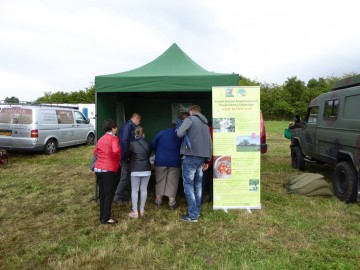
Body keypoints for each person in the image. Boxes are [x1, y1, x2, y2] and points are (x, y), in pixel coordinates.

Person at [176, 105, 211, 222]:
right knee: (197, 185)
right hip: (202, 158)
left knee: (188, 185)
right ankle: (197, 211)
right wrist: (207, 160)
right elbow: (209, 143)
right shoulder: (205, 124)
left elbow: (179, 133)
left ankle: (192, 215)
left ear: (191, 112)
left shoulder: (189, 119)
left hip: (190, 156)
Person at [93, 119, 121, 225]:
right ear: (113, 128)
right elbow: (116, 151)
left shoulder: (101, 139)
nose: (116, 129)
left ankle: (102, 216)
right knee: (109, 194)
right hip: (108, 169)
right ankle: (106, 218)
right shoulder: (114, 139)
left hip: (98, 169)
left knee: (103, 193)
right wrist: (117, 158)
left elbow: (95, 152)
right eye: (116, 127)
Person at [151, 123, 182, 210]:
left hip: (160, 161)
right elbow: (182, 148)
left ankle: (158, 201)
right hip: (174, 161)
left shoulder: (161, 133)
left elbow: (153, 144)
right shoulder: (179, 135)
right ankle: (171, 203)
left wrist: (159, 150)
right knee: (172, 182)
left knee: (160, 180)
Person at [114, 113, 141, 204]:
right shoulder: (128, 127)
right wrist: (125, 157)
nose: (139, 122)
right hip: (125, 156)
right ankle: (117, 197)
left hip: (127, 155)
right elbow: (124, 143)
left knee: (127, 176)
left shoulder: (129, 126)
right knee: (125, 177)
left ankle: (125, 196)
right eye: (139, 120)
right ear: (136, 119)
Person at [127, 126, 152, 218]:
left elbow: (128, 155)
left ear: (134, 134)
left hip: (135, 169)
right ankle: (142, 210)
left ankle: (135, 212)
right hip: (147, 169)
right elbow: (148, 154)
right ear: (143, 134)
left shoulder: (132, 144)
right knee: (144, 189)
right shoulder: (148, 144)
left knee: (134, 190)